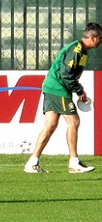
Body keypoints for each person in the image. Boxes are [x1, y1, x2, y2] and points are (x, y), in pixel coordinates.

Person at [24, 22, 102, 174]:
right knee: (74, 122)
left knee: (50, 125)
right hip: (58, 88)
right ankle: (74, 163)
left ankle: (32, 162)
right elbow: (65, 74)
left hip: (52, 87)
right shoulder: (76, 50)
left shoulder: (82, 51)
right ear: (93, 38)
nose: (100, 42)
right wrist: (79, 91)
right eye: (100, 38)